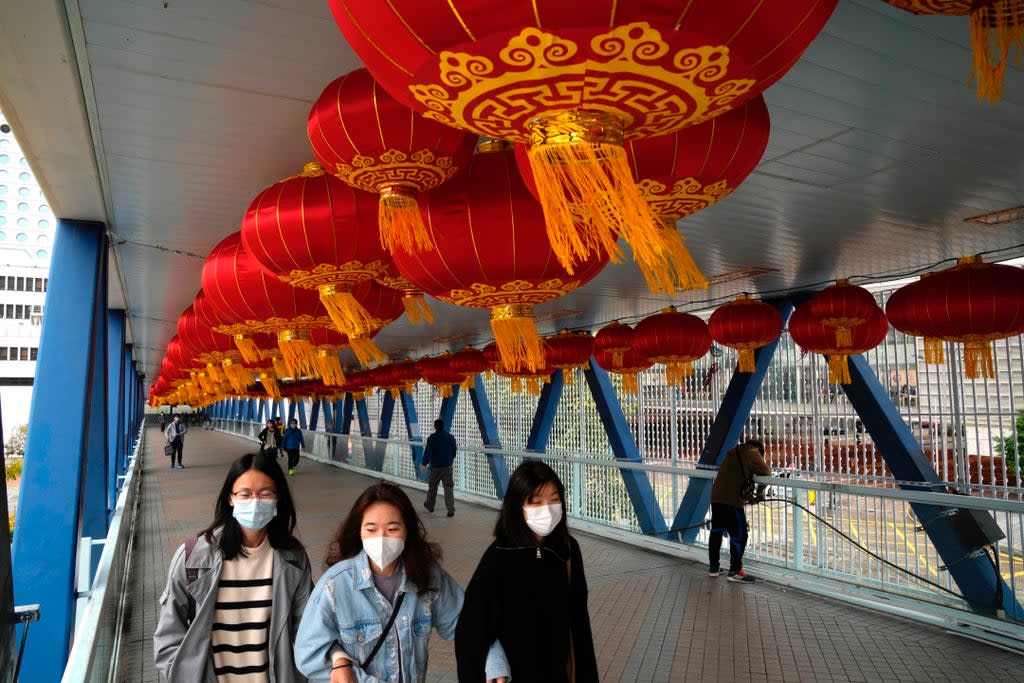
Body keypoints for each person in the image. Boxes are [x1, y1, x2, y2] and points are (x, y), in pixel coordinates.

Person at [153, 451, 313, 681]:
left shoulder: (293, 559)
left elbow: (307, 630)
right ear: (230, 498)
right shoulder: (194, 558)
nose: (255, 502)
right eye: (245, 494)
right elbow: (168, 634)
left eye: (265, 493)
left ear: (278, 498)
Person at [294, 482, 466, 682]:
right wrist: (340, 661)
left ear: (407, 530)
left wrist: (493, 661)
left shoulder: (428, 576)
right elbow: (309, 653)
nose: (381, 538)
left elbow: (467, 625)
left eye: (392, 529)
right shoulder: (335, 585)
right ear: (359, 531)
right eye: (371, 529)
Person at [455, 460, 599, 683]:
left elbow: (579, 625)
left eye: (554, 499)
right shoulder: (499, 556)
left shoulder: (567, 549)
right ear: (517, 505)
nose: (547, 508)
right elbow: (472, 631)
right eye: (536, 501)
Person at [708, 438, 772, 582]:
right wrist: (760, 493)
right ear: (758, 450)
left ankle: (714, 568)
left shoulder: (731, 453)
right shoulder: (752, 452)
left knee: (716, 531)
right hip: (731, 501)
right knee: (739, 536)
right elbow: (767, 472)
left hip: (716, 497)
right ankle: (735, 571)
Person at [421, 418, 457, 517]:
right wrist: (450, 460)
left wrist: (424, 463)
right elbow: (454, 450)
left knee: (432, 487)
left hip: (435, 468)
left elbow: (428, 452)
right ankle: (450, 509)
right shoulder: (450, 437)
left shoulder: (432, 438)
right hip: (447, 467)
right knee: (448, 488)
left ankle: (429, 505)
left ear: (435, 427)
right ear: (443, 426)